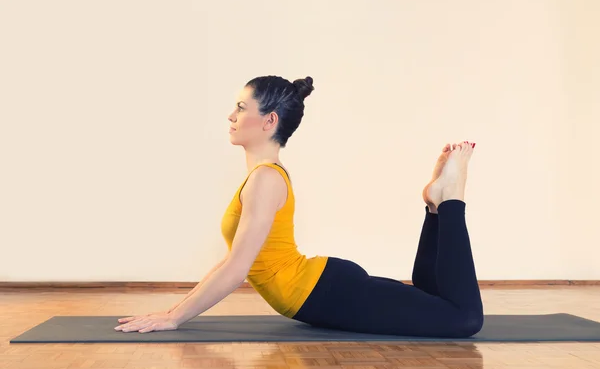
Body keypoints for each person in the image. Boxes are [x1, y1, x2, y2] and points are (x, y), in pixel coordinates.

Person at [115, 75, 484, 337]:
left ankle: (452, 198)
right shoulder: (260, 177)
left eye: (241, 108)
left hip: (328, 293)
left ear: (269, 121)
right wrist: (172, 313)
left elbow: (238, 269)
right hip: (325, 288)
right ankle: (436, 207)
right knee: (432, 298)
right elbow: (231, 261)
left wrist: (175, 318)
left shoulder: (265, 179)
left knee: (464, 321)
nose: (231, 115)